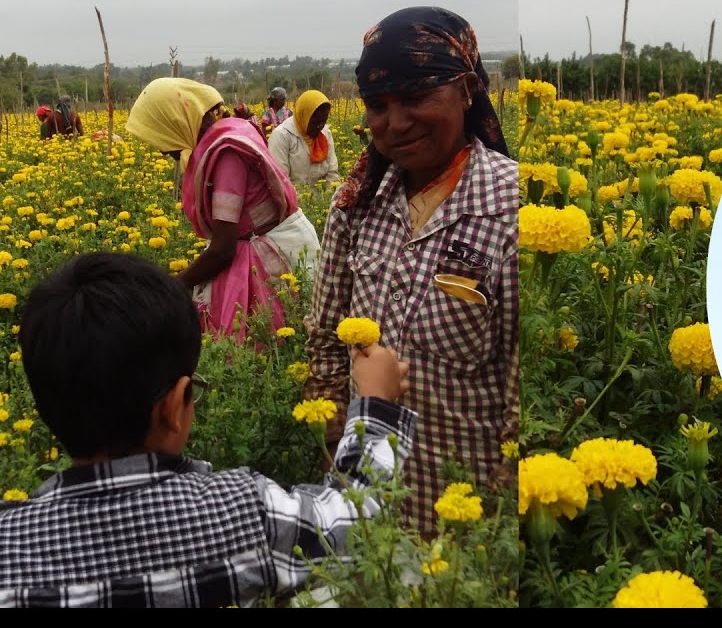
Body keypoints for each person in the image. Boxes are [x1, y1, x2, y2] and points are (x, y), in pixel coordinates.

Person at [0, 252, 415, 608]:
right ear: (173, 409)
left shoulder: (11, 546)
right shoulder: (241, 514)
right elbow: (360, 521)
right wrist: (375, 407)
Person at [303, 6, 518, 539]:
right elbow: (326, 342)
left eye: (417, 97)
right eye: (378, 105)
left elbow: (524, 401)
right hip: (364, 517)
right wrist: (334, 451)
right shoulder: (356, 206)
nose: (395, 123)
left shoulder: (512, 209)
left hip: (465, 529)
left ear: (466, 90)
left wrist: (494, 527)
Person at [125, 77, 321, 341]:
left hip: (268, 255)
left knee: (261, 344)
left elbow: (223, 250)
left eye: (162, 135)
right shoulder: (230, 131)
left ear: (178, 121)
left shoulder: (226, 154)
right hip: (271, 243)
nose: (161, 150)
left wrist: (173, 286)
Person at [267, 89, 340, 188]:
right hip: (294, 196)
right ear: (304, 116)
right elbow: (280, 182)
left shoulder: (325, 133)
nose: (320, 126)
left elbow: (332, 174)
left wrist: (331, 194)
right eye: (315, 122)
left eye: (324, 121)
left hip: (322, 196)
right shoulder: (281, 136)